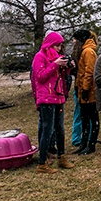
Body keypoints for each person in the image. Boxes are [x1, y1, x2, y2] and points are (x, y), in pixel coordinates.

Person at [31, 31, 75, 174]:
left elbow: (60, 78)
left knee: (60, 129)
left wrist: (67, 68)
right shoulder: (40, 57)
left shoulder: (57, 57)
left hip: (57, 96)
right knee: (47, 130)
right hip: (46, 98)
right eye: (57, 45)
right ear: (51, 44)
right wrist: (55, 65)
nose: (59, 48)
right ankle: (42, 162)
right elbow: (40, 77)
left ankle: (61, 157)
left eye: (60, 45)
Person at [72, 29, 99, 155]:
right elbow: (80, 73)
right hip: (83, 90)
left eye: (75, 39)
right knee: (84, 118)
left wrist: (85, 89)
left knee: (92, 118)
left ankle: (91, 144)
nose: (73, 41)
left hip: (89, 92)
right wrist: (78, 88)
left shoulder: (88, 52)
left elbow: (89, 72)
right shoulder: (84, 51)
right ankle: (84, 143)